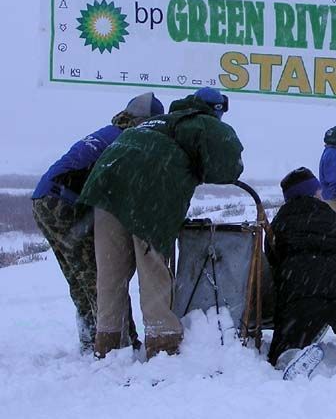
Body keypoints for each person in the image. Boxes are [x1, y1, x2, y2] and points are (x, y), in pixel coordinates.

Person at [79, 87, 244, 360]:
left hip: (105, 182)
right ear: (216, 110)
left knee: (111, 272)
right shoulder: (202, 122)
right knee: (153, 268)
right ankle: (162, 344)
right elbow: (228, 165)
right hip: (148, 189)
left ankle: (108, 343)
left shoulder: (161, 123)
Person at [31, 92, 164, 354]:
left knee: (78, 276)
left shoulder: (109, 132)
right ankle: (119, 343)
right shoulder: (128, 140)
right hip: (65, 203)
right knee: (103, 275)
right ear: (146, 122)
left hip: (43, 200)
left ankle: (90, 338)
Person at [266, 167, 336, 371]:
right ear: (311, 192)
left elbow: (272, 257)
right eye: (318, 190)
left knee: (287, 341)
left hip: (298, 288)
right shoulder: (333, 218)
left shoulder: (279, 221)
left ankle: (289, 354)